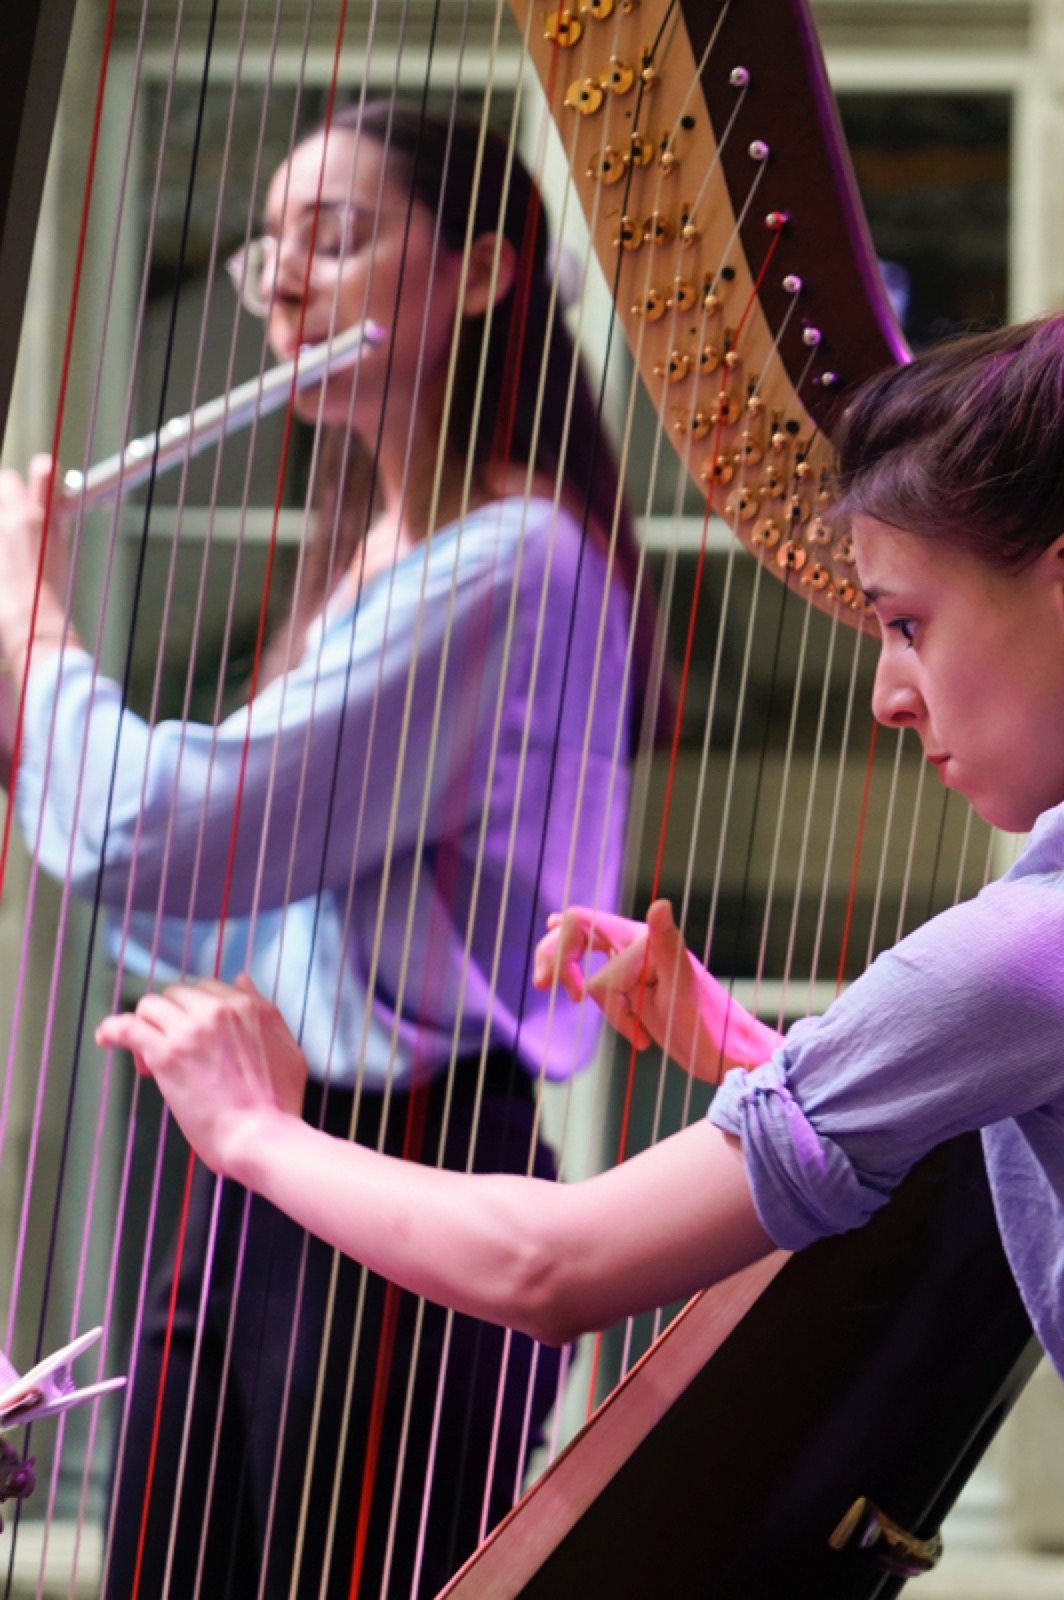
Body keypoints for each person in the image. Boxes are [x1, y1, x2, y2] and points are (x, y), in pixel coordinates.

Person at [95, 305, 1064, 1597]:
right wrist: (759, 1059)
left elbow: (552, 1270)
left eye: (907, 623)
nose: (885, 695)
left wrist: (251, 1132)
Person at [0, 100, 641, 1599]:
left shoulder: (519, 559)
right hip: (254, 1164)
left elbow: (176, 834)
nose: (282, 286)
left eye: (335, 239)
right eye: (265, 251)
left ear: (483, 273)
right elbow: (193, 885)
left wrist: (30, 630)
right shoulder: (370, 554)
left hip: (404, 1173)